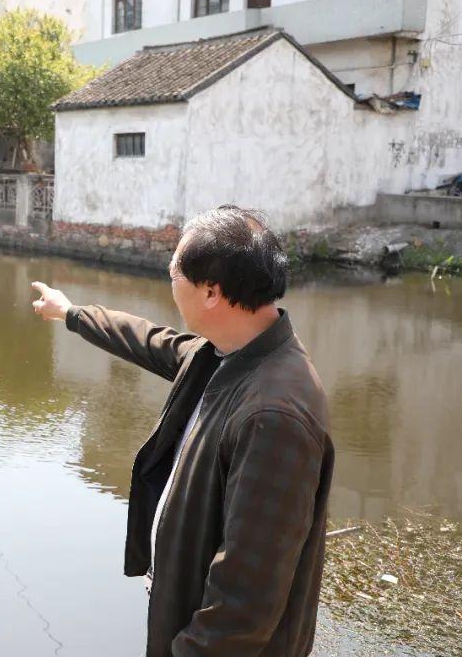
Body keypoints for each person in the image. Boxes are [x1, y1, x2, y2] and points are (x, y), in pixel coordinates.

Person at [31, 206, 334, 657]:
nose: (169, 281)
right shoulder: (226, 353)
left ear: (211, 292)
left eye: (174, 273)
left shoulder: (273, 416)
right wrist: (72, 313)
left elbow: (244, 606)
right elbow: (150, 340)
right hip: (182, 608)